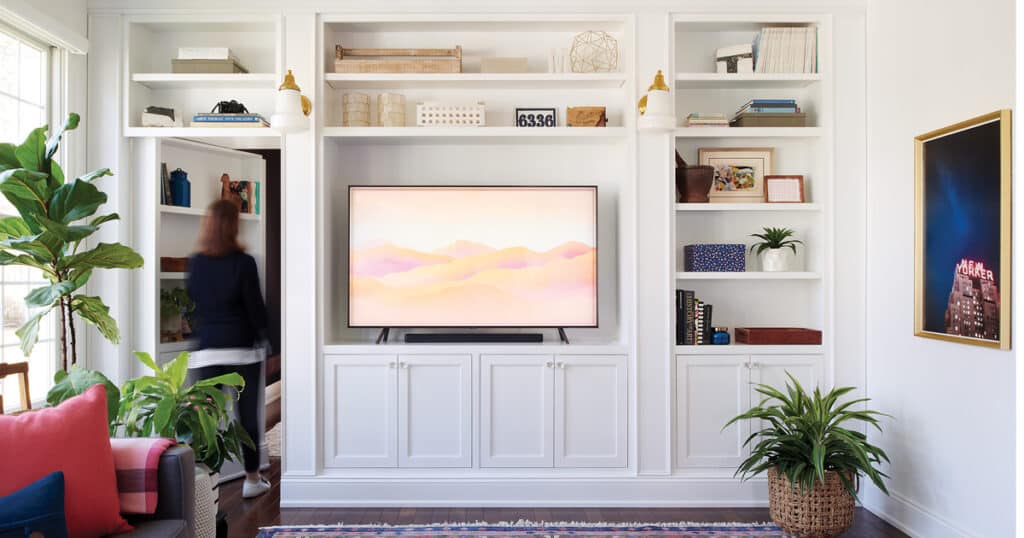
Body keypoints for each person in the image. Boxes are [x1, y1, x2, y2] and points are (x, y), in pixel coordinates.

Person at [186, 199, 271, 498]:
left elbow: (194, 303)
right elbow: (256, 309)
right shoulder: (244, 263)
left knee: (204, 421)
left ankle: (203, 485)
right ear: (234, 225)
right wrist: (269, 340)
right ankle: (251, 479)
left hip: (206, 349)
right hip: (242, 351)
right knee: (247, 418)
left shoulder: (195, 263)